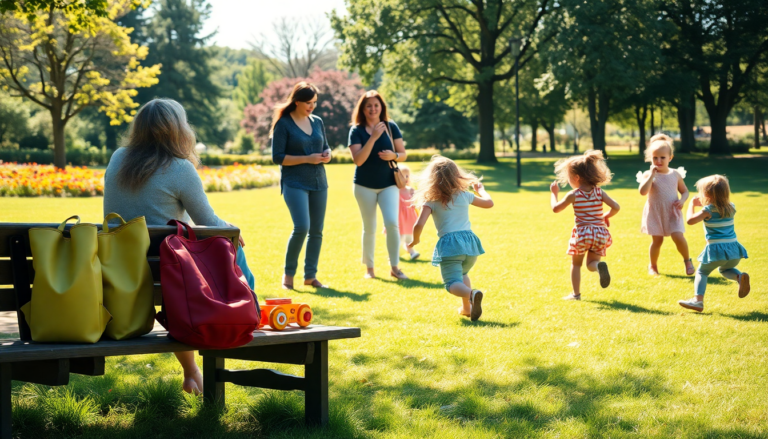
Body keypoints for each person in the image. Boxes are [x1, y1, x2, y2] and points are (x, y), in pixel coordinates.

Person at [103, 98, 255, 395]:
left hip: (121, 265)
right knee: (234, 243)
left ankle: (191, 371)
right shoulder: (180, 168)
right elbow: (208, 222)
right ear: (177, 130)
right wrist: (235, 232)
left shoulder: (118, 158)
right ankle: (249, 308)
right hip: (170, 270)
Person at [407, 156, 493, 321]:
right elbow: (489, 203)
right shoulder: (464, 195)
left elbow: (418, 224)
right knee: (463, 274)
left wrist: (415, 240)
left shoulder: (430, 201)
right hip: (470, 244)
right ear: (456, 175)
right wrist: (480, 190)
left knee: (452, 284)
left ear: (431, 179)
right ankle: (467, 308)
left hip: (450, 245)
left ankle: (472, 294)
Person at [271, 82, 331, 290]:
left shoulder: (317, 122)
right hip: (294, 182)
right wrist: (308, 158)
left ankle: (310, 276)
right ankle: (288, 275)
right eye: (308, 102)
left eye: (314, 102)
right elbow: (277, 157)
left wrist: (327, 154)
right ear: (297, 101)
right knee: (302, 227)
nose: (312, 106)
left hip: (319, 182)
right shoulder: (284, 124)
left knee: (317, 230)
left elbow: (325, 146)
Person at [348, 90, 408, 279]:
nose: (373, 109)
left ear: (381, 107)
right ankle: (370, 269)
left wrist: (394, 156)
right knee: (370, 227)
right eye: (369, 106)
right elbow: (358, 160)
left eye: (376, 105)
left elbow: (403, 154)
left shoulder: (391, 127)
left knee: (392, 223)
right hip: (364, 186)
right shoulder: (356, 131)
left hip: (388, 184)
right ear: (363, 109)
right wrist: (373, 137)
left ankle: (395, 267)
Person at [550, 150, 620, 301]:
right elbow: (616, 207)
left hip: (583, 233)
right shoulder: (599, 192)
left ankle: (576, 295)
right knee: (591, 263)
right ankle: (598, 268)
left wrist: (553, 194)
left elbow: (556, 209)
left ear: (576, 177)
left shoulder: (574, 194)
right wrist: (606, 216)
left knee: (576, 265)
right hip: (600, 233)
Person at [678, 175, 750, 312]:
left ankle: (698, 301)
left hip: (716, 248)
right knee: (725, 269)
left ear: (707, 194)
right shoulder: (731, 207)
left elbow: (690, 221)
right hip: (734, 249)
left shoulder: (708, 210)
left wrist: (692, 205)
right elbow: (718, 207)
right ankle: (739, 277)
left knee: (702, 271)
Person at [637, 133, 693, 276]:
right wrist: (651, 176)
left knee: (678, 237)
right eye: (655, 158)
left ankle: (687, 261)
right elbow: (643, 192)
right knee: (657, 240)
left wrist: (682, 200)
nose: (659, 161)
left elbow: (685, 191)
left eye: (662, 157)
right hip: (655, 213)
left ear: (670, 158)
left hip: (672, 212)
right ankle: (653, 266)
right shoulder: (648, 175)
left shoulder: (675, 174)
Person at [384, 164, 419, 260]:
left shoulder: (411, 190)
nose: (406, 178)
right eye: (403, 176)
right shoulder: (394, 190)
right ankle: (393, 254)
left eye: (407, 176)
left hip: (409, 218)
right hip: (399, 218)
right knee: (398, 237)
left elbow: (416, 202)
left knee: (409, 237)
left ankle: (411, 252)